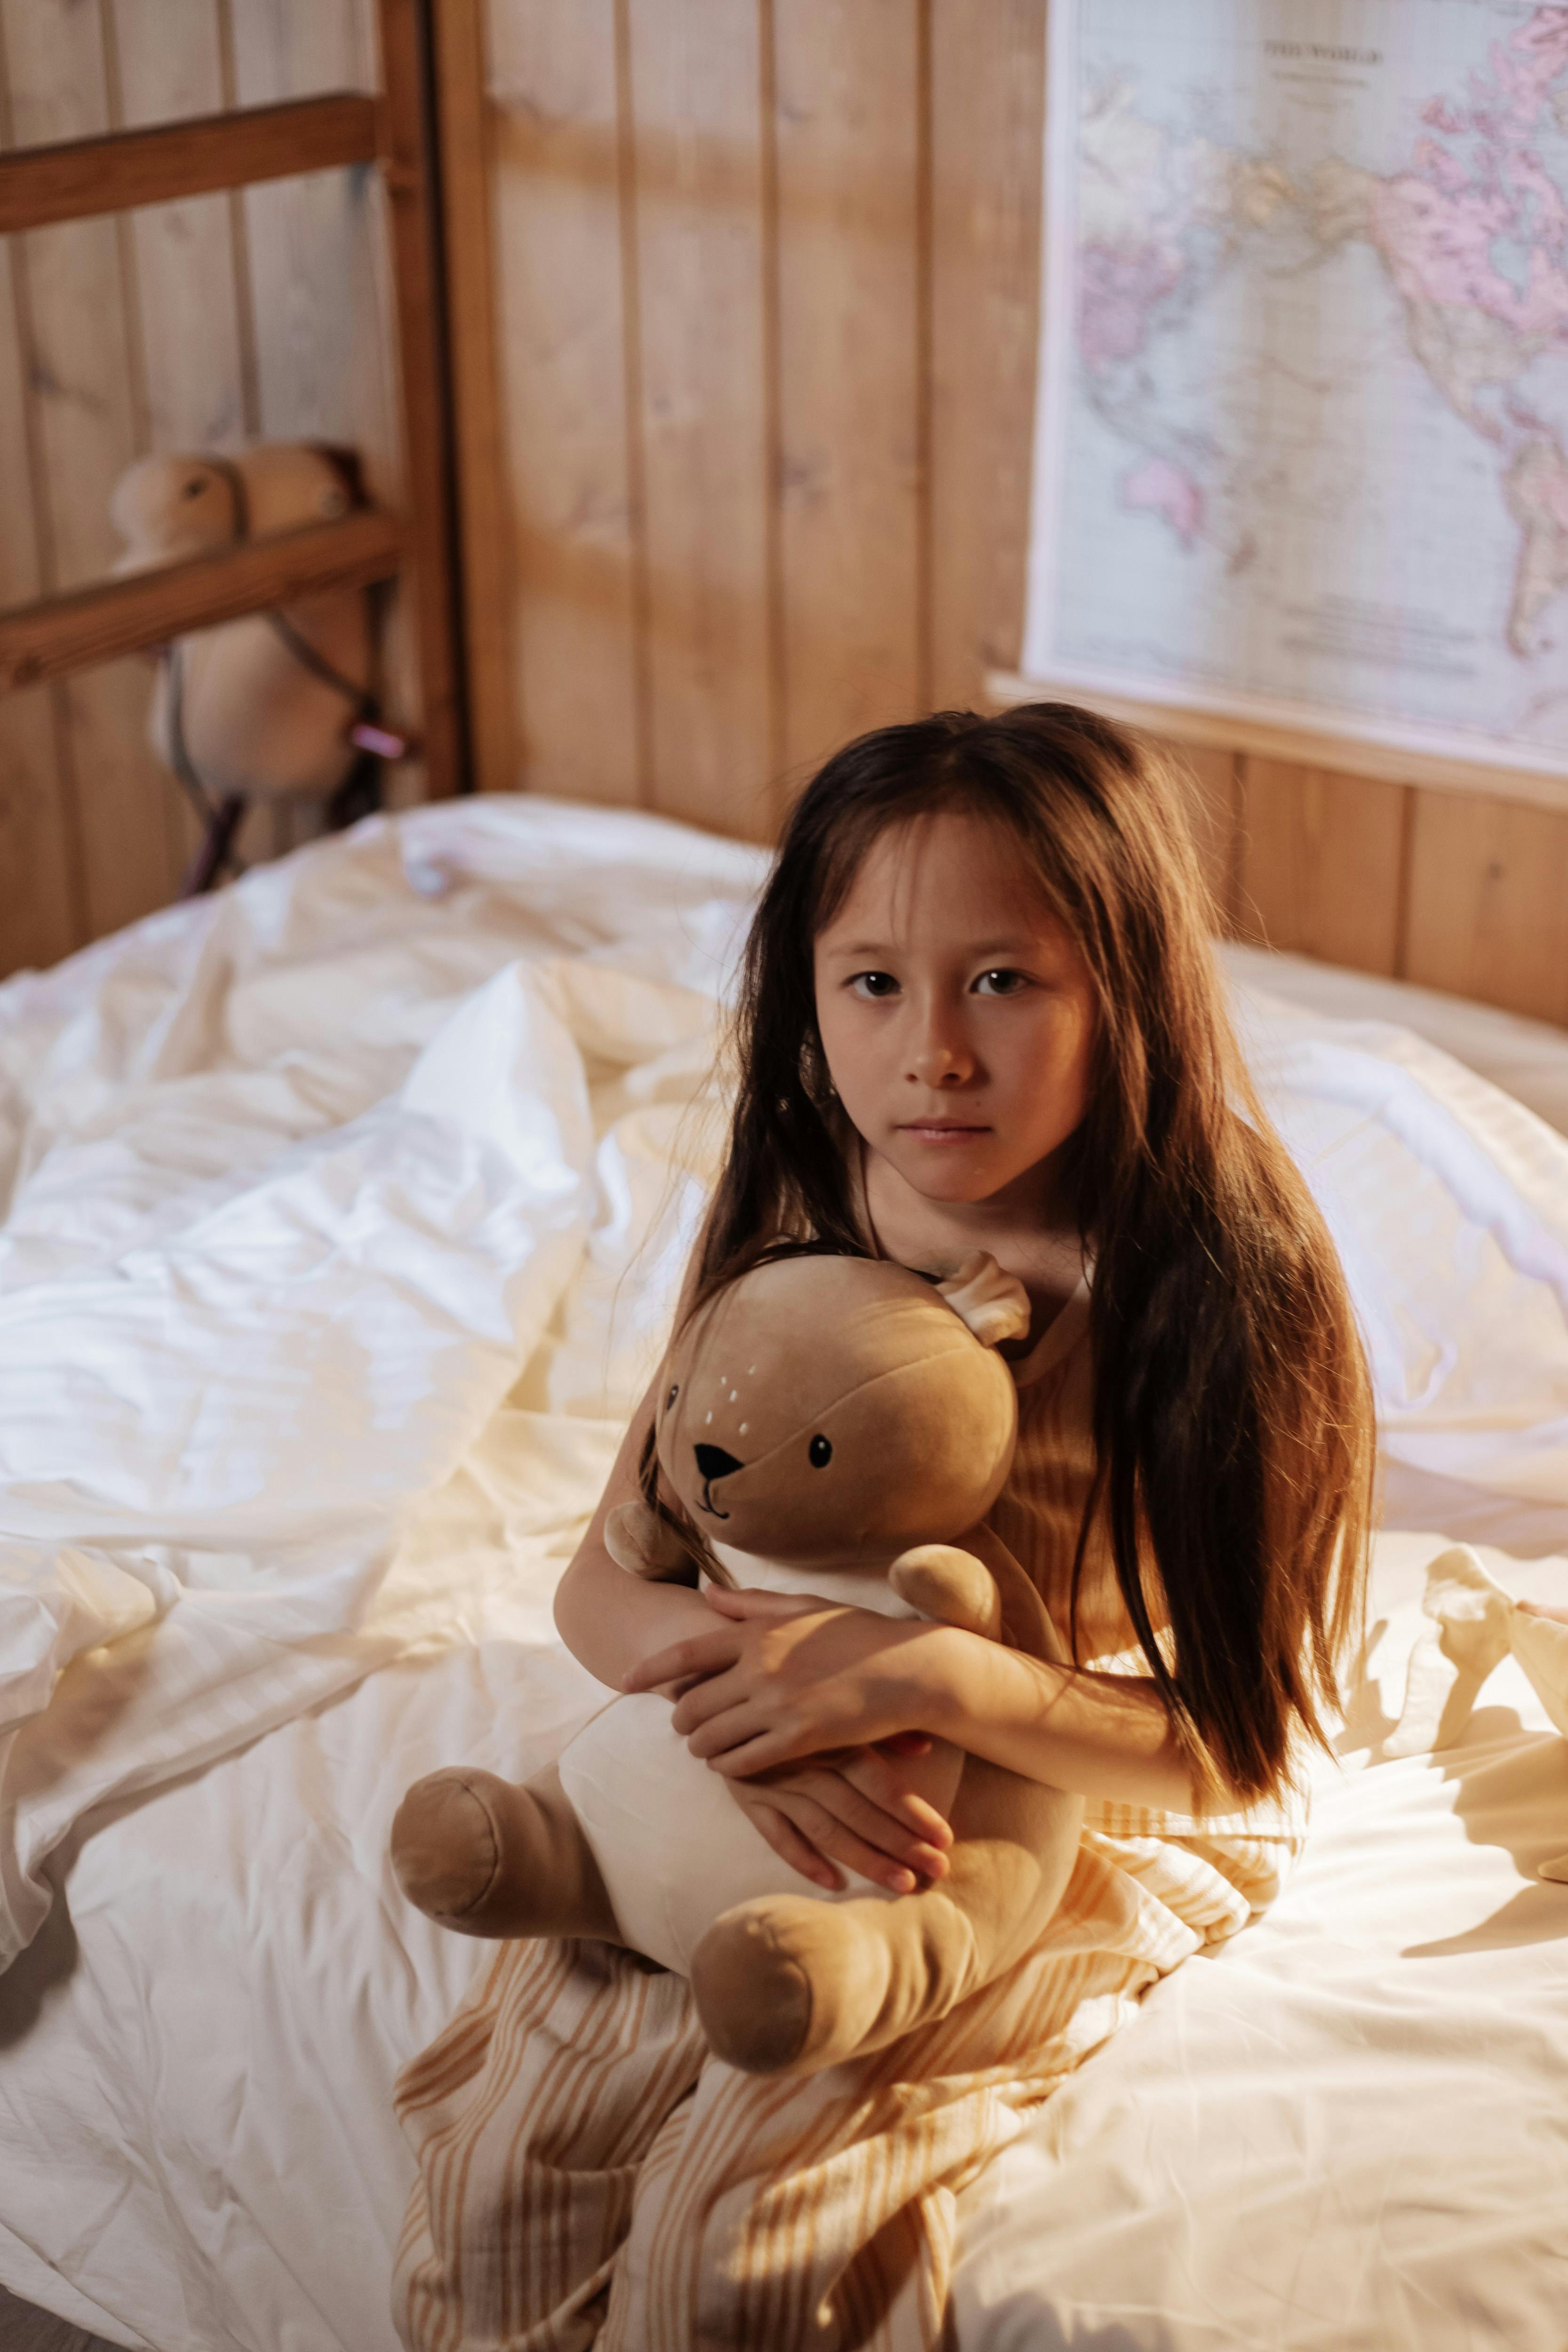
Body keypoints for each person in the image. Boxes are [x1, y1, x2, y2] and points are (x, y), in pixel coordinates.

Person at [394, 703, 1375, 2352]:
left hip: (1034, 1777)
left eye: (1004, 979)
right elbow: (604, 1576)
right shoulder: (802, 1209)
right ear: (808, 998)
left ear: (1127, 988)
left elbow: (1235, 1751)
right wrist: (744, 1675)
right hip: (745, 1735)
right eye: (874, 983)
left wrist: (919, 1684)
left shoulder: (1217, 1281)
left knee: (737, 2228)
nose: (934, 1051)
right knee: (505, 2158)